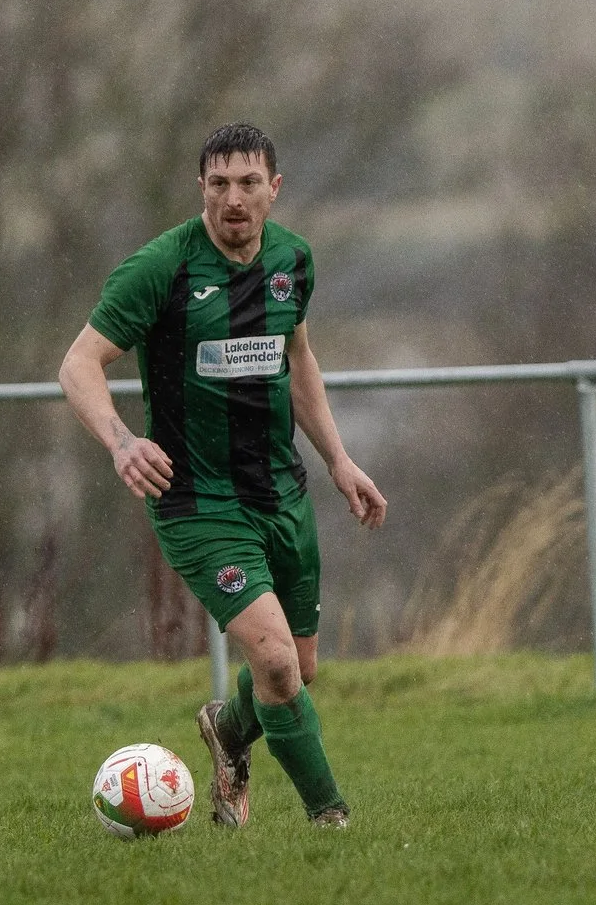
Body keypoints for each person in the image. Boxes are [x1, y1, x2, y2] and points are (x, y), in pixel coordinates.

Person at [58, 123, 387, 829]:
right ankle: (330, 820)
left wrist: (338, 459)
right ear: (200, 188)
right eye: (218, 184)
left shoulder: (293, 259)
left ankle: (230, 731)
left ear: (275, 187)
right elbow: (78, 364)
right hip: (195, 499)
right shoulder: (162, 269)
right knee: (273, 661)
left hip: (280, 489)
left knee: (299, 666)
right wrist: (121, 442)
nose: (233, 199)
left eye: (247, 183)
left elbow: (297, 359)